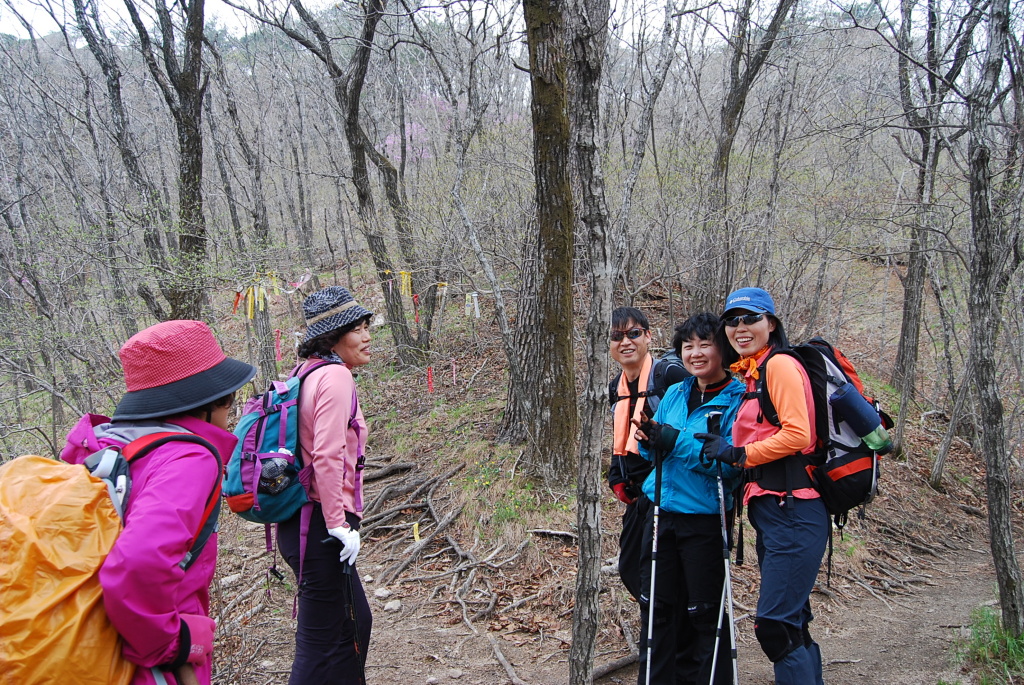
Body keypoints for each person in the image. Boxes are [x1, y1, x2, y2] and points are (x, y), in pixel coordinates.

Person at [60, 320, 257, 685]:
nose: (231, 409)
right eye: (229, 398)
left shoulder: (103, 444)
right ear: (208, 401)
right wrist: (173, 646)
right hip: (145, 663)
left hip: (84, 645)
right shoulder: (187, 459)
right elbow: (138, 562)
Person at [697, 287, 829, 684]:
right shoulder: (753, 372)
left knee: (775, 626)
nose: (740, 327)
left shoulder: (780, 366)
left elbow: (798, 434)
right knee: (793, 622)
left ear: (771, 324)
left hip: (795, 509)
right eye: (732, 320)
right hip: (773, 511)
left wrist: (739, 454)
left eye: (751, 318)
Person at [633, 312, 743, 685]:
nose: (695, 353)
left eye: (705, 344)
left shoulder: (738, 399)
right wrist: (649, 441)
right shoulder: (676, 394)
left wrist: (672, 441)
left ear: (723, 349)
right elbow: (654, 453)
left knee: (704, 612)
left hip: (705, 519)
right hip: (661, 513)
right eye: (687, 346)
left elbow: (731, 467)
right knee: (658, 608)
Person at [279, 285, 374, 685]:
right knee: (322, 642)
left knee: (349, 627)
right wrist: (338, 523)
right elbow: (327, 454)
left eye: (368, 325)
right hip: (319, 527)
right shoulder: (335, 376)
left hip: (302, 523)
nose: (367, 336)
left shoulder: (307, 372)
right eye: (357, 328)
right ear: (334, 336)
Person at [607, 307, 689, 602]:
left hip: (670, 492)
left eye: (634, 334)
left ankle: (666, 646)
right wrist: (616, 474)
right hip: (638, 493)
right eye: (617, 336)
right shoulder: (615, 387)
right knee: (631, 568)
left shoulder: (669, 375)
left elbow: (691, 428)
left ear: (648, 337)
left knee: (657, 575)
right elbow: (620, 434)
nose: (625, 342)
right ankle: (662, 644)